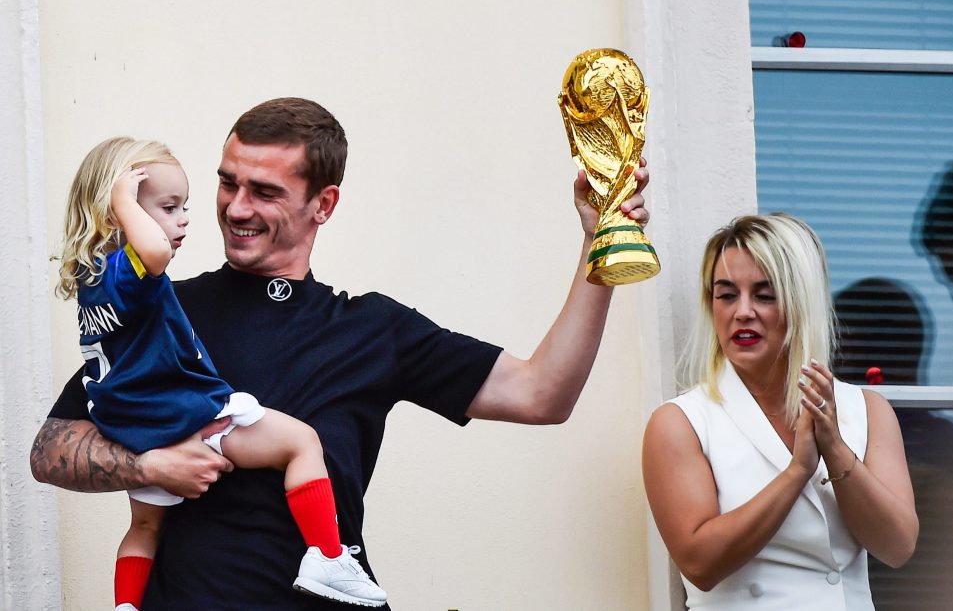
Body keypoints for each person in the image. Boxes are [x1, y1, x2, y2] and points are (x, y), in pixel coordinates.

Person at [30, 97, 651, 610]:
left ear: (323, 204)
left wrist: (598, 244)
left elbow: (544, 393)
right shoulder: (163, 308)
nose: (236, 207)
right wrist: (150, 468)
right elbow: (50, 449)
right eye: (227, 182)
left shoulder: (372, 328)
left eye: (265, 191)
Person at [56, 136, 387, 609]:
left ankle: (126, 605)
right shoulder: (128, 271)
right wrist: (126, 202)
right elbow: (154, 254)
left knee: (145, 526)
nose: (184, 219)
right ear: (119, 215)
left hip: (131, 425)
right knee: (301, 442)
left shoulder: (92, 283)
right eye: (169, 208)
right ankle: (328, 556)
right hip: (181, 410)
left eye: (184, 205)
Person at [642, 213, 918, 610]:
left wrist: (835, 448)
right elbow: (699, 561)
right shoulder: (681, 421)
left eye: (765, 294)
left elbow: (898, 546)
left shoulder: (867, 409)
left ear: (799, 301)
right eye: (727, 295)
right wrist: (797, 472)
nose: (743, 312)